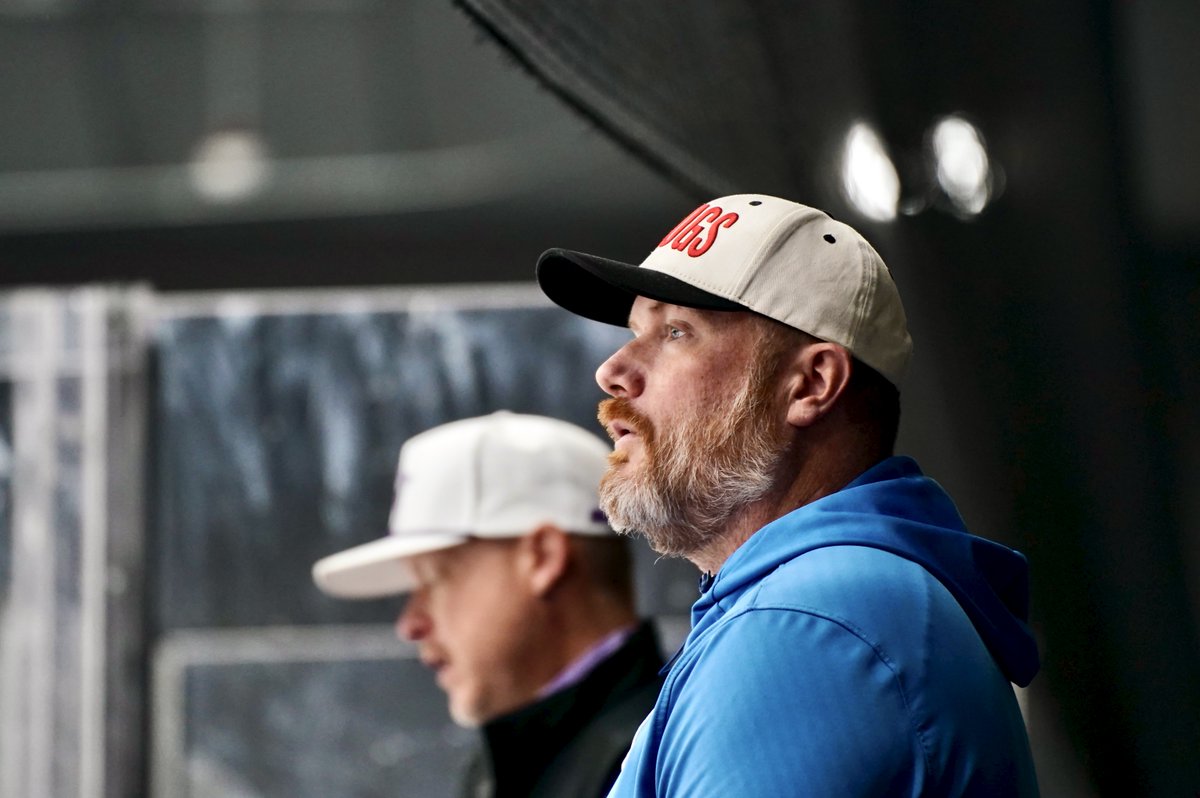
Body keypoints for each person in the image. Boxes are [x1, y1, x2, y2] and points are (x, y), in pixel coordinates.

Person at [534, 194, 1041, 796]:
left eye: (675, 332)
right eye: (635, 332)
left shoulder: (810, 624)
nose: (613, 370)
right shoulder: (837, 604)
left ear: (810, 384)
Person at [311, 411, 664, 798]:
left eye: (433, 579)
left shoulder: (653, 767)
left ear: (543, 558)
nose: (410, 624)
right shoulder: (513, 760)